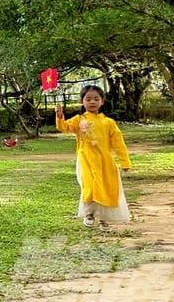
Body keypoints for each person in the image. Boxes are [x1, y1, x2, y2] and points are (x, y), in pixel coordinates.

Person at [55, 85, 132, 228]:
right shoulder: (79, 120)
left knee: (105, 188)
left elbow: (118, 143)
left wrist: (125, 162)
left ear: (102, 101)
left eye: (96, 99)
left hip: (105, 161)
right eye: (88, 99)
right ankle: (89, 213)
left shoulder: (108, 123)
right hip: (85, 160)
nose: (92, 102)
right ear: (82, 101)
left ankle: (104, 218)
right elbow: (64, 127)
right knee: (89, 186)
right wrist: (60, 116)